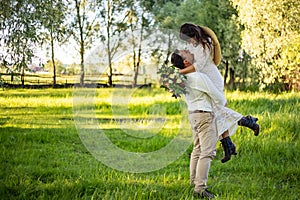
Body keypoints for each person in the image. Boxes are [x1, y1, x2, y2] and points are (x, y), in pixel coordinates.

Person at [178, 23, 259, 161]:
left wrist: (179, 72)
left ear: (194, 34)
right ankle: (228, 144)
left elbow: (198, 66)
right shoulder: (192, 46)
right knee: (215, 114)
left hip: (212, 79)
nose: (188, 42)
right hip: (203, 80)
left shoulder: (205, 44)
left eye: (189, 39)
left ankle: (246, 122)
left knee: (217, 111)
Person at [169, 53, 226, 199]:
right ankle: (200, 189)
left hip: (193, 115)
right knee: (207, 152)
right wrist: (222, 104)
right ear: (186, 62)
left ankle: (193, 182)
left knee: (197, 150)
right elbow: (219, 97)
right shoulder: (200, 77)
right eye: (186, 54)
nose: (190, 53)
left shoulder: (183, 79)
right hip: (205, 115)